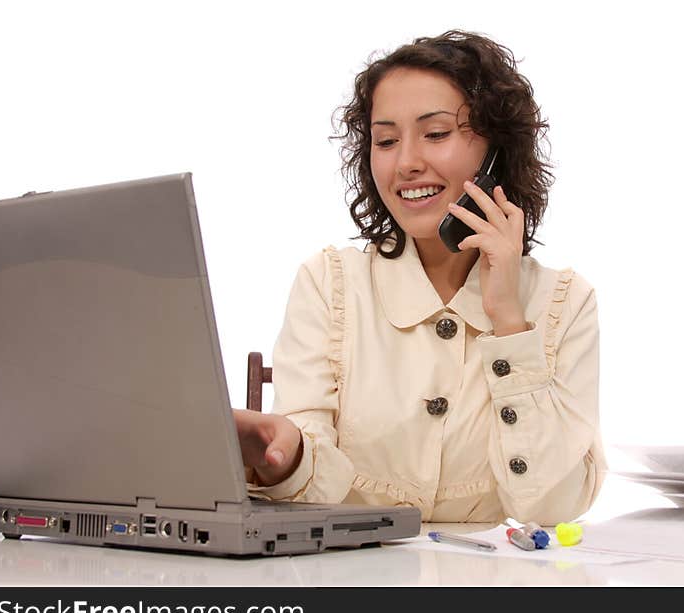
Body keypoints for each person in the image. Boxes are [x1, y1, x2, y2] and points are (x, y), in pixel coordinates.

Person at [232, 30, 606, 524]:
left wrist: (509, 323)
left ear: (497, 152)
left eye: (435, 134)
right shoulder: (329, 283)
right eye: (386, 140)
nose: (406, 163)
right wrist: (288, 458)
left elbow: (552, 508)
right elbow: (312, 491)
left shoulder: (564, 302)